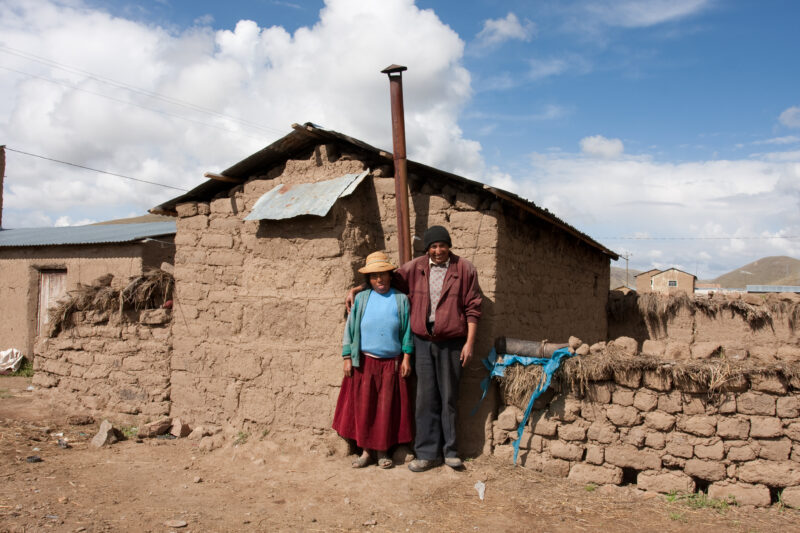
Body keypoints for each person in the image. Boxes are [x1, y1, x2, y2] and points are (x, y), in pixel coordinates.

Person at [347, 226, 482, 472]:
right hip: (422, 342)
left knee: (449, 397)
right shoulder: (415, 267)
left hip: (452, 343)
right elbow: (384, 279)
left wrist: (469, 343)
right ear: (427, 249)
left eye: (442, 245)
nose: (438, 250)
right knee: (425, 398)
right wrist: (359, 289)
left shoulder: (464, 269)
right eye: (433, 246)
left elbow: (473, 307)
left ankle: (450, 452)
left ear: (449, 246)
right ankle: (427, 453)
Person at [332, 251, 414, 469]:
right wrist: (347, 357)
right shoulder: (361, 299)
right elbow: (350, 329)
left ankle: (382, 452)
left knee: (385, 409)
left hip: (391, 363)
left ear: (390, 275)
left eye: (384, 275)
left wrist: (406, 358)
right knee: (366, 408)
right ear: (369, 279)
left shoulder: (400, 299)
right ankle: (366, 451)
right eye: (375, 276)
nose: (380, 280)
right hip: (365, 363)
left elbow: (407, 332)